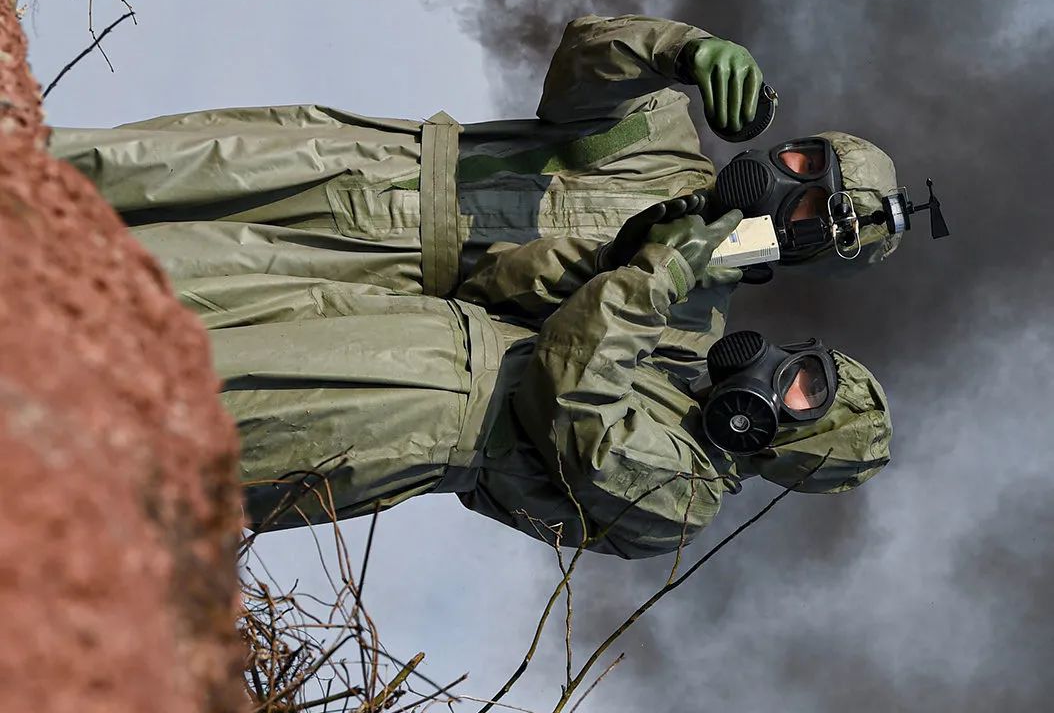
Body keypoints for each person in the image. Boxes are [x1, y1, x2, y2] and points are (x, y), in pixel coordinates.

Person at [49, 16, 903, 361]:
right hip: (380, 163)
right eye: (800, 167)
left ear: (805, 258)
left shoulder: (680, 323)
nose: (784, 191)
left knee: (158, 278)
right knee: (125, 165)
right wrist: (678, 49)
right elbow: (579, 72)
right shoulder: (665, 132)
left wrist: (650, 264)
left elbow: (526, 331)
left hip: (381, 275)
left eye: (806, 217)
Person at [207, 209, 892, 556]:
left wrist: (655, 280)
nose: (778, 367)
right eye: (802, 361)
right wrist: (628, 253)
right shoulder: (675, 372)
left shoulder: (683, 501)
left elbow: (570, 406)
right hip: (416, 330)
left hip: (408, 413)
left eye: (804, 389)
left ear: (789, 443)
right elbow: (505, 284)